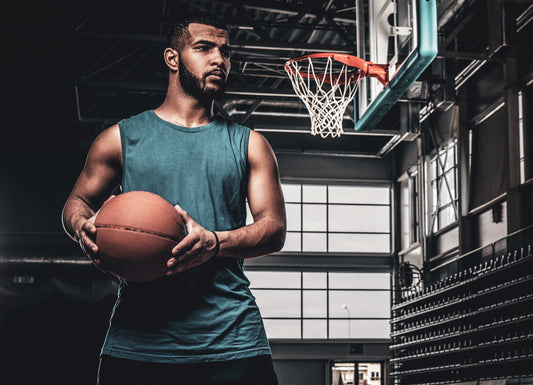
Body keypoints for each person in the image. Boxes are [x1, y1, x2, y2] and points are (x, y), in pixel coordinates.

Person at [61, 12, 286, 385]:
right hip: (139, 341)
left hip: (232, 339)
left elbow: (273, 229)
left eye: (226, 52)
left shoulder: (251, 145)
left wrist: (215, 242)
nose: (219, 60)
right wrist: (80, 227)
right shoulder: (120, 139)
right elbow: (76, 204)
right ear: (172, 58)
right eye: (204, 48)